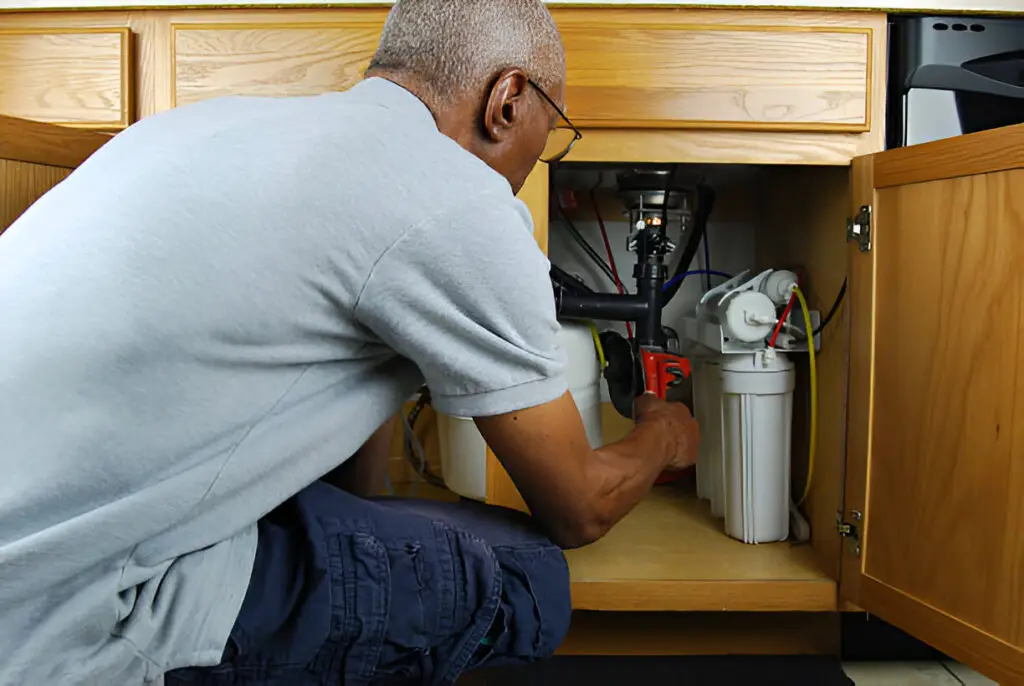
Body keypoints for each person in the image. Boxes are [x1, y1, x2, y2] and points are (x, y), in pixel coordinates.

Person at [0, 0, 699, 683]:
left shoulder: (201, 128)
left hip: (35, 541)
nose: (536, 161)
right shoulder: (455, 196)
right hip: (67, 614)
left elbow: (345, 419)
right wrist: (664, 435)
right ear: (507, 101)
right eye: (551, 132)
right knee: (530, 573)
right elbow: (579, 508)